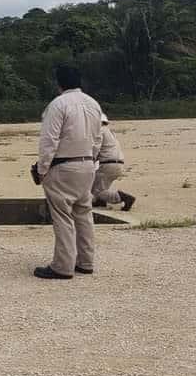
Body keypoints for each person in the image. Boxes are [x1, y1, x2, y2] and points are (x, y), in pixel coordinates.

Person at [33, 64, 104, 280]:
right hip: (87, 164)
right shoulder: (93, 104)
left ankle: (62, 266)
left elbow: (49, 140)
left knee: (62, 216)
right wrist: (91, 161)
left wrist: (42, 169)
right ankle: (85, 262)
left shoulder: (57, 104)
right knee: (84, 214)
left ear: (59, 83)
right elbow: (99, 138)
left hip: (63, 166)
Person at [92, 114, 135, 211]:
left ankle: (122, 197)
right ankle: (101, 202)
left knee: (97, 191)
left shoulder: (99, 131)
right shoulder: (110, 132)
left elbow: (95, 149)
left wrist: (91, 160)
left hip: (108, 163)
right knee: (100, 184)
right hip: (118, 163)